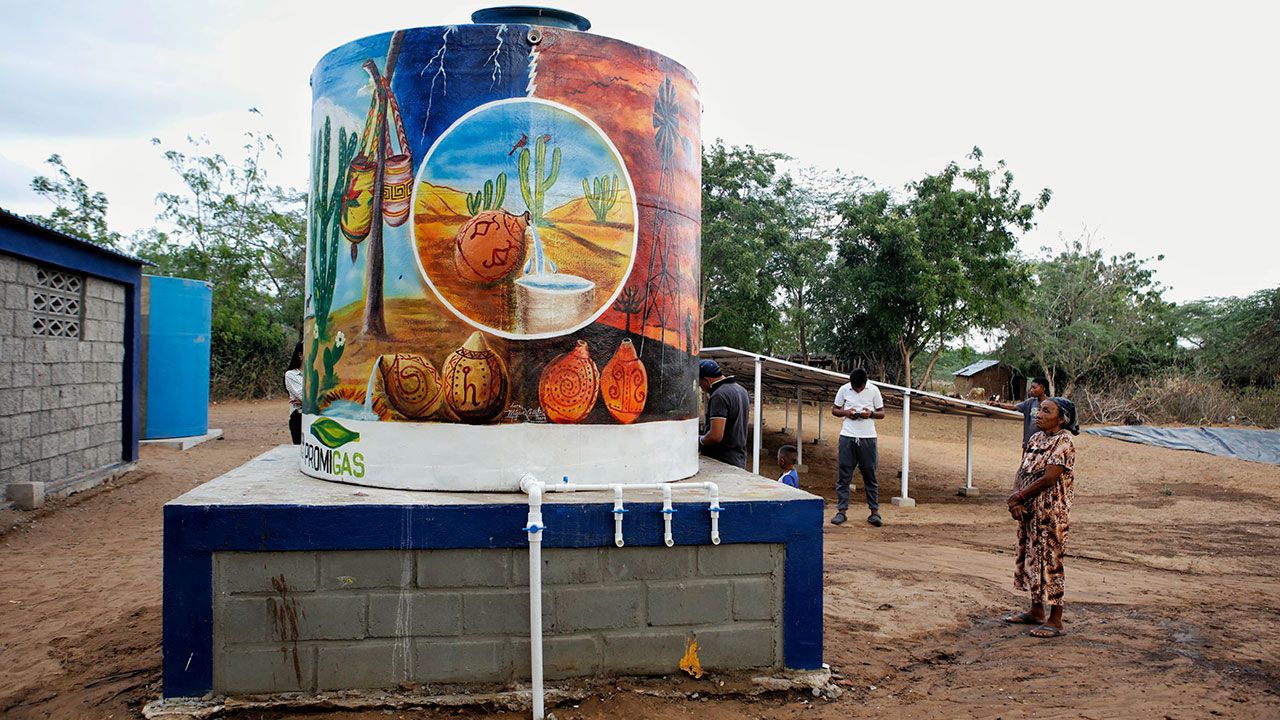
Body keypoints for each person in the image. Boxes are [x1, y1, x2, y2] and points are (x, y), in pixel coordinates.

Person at [1004, 396, 1079, 638]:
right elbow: (1023, 469)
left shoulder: (1064, 442)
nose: (1039, 414)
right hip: (1029, 510)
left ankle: (1055, 619)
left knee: (1050, 562)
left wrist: (1019, 497)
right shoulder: (1036, 438)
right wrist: (1017, 499)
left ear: (1061, 419)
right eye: (1040, 410)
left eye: (1046, 411)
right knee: (1031, 559)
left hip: (1050, 513)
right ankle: (1036, 611)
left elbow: (1049, 478)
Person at [831, 367, 885, 527]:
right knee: (844, 473)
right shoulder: (844, 389)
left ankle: (874, 512)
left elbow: (882, 413)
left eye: (859, 388)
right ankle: (841, 511)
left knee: (870, 473)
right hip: (847, 435)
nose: (857, 390)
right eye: (854, 388)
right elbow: (834, 409)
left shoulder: (874, 390)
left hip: (868, 437)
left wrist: (871, 414)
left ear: (865, 383)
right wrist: (846, 412)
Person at [698, 359, 750, 469]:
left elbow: (716, 436)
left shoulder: (719, 395)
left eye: (700, 383)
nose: (701, 387)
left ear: (707, 380)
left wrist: (699, 440)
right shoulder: (741, 390)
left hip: (721, 462)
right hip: (738, 458)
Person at [992, 376, 1051, 449]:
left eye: (1034, 388)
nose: (1031, 390)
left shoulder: (1052, 404)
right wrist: (998, 404)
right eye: (1031, 388)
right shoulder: (1030, 402)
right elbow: (1014, 407)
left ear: (1043, 388)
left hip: (1044, 443)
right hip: (1029, 442)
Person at [285, 341, 304, 445]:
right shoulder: (291, 375)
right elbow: (302, 396)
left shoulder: (317, 374)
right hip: (299, 417)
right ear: (300, 355)